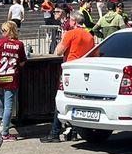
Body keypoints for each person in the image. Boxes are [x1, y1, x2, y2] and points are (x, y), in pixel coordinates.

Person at [42, 12, 98, 143]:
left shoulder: (70, 34)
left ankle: (55, 132)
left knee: (61, 100)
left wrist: (61, 41)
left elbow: (59, 51)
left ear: (73, 21)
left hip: (70, 69)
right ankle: (73, 132)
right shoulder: (89, 36)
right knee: (77, 100)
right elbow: (95, 54)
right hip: (83, 70)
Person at [0, 21, 26, 141]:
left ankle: (1, 121)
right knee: (9, 104)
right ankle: (5, 131)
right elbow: (22, 62)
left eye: (3, 31)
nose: (1, 33)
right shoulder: (19, 44)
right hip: (11, 76)